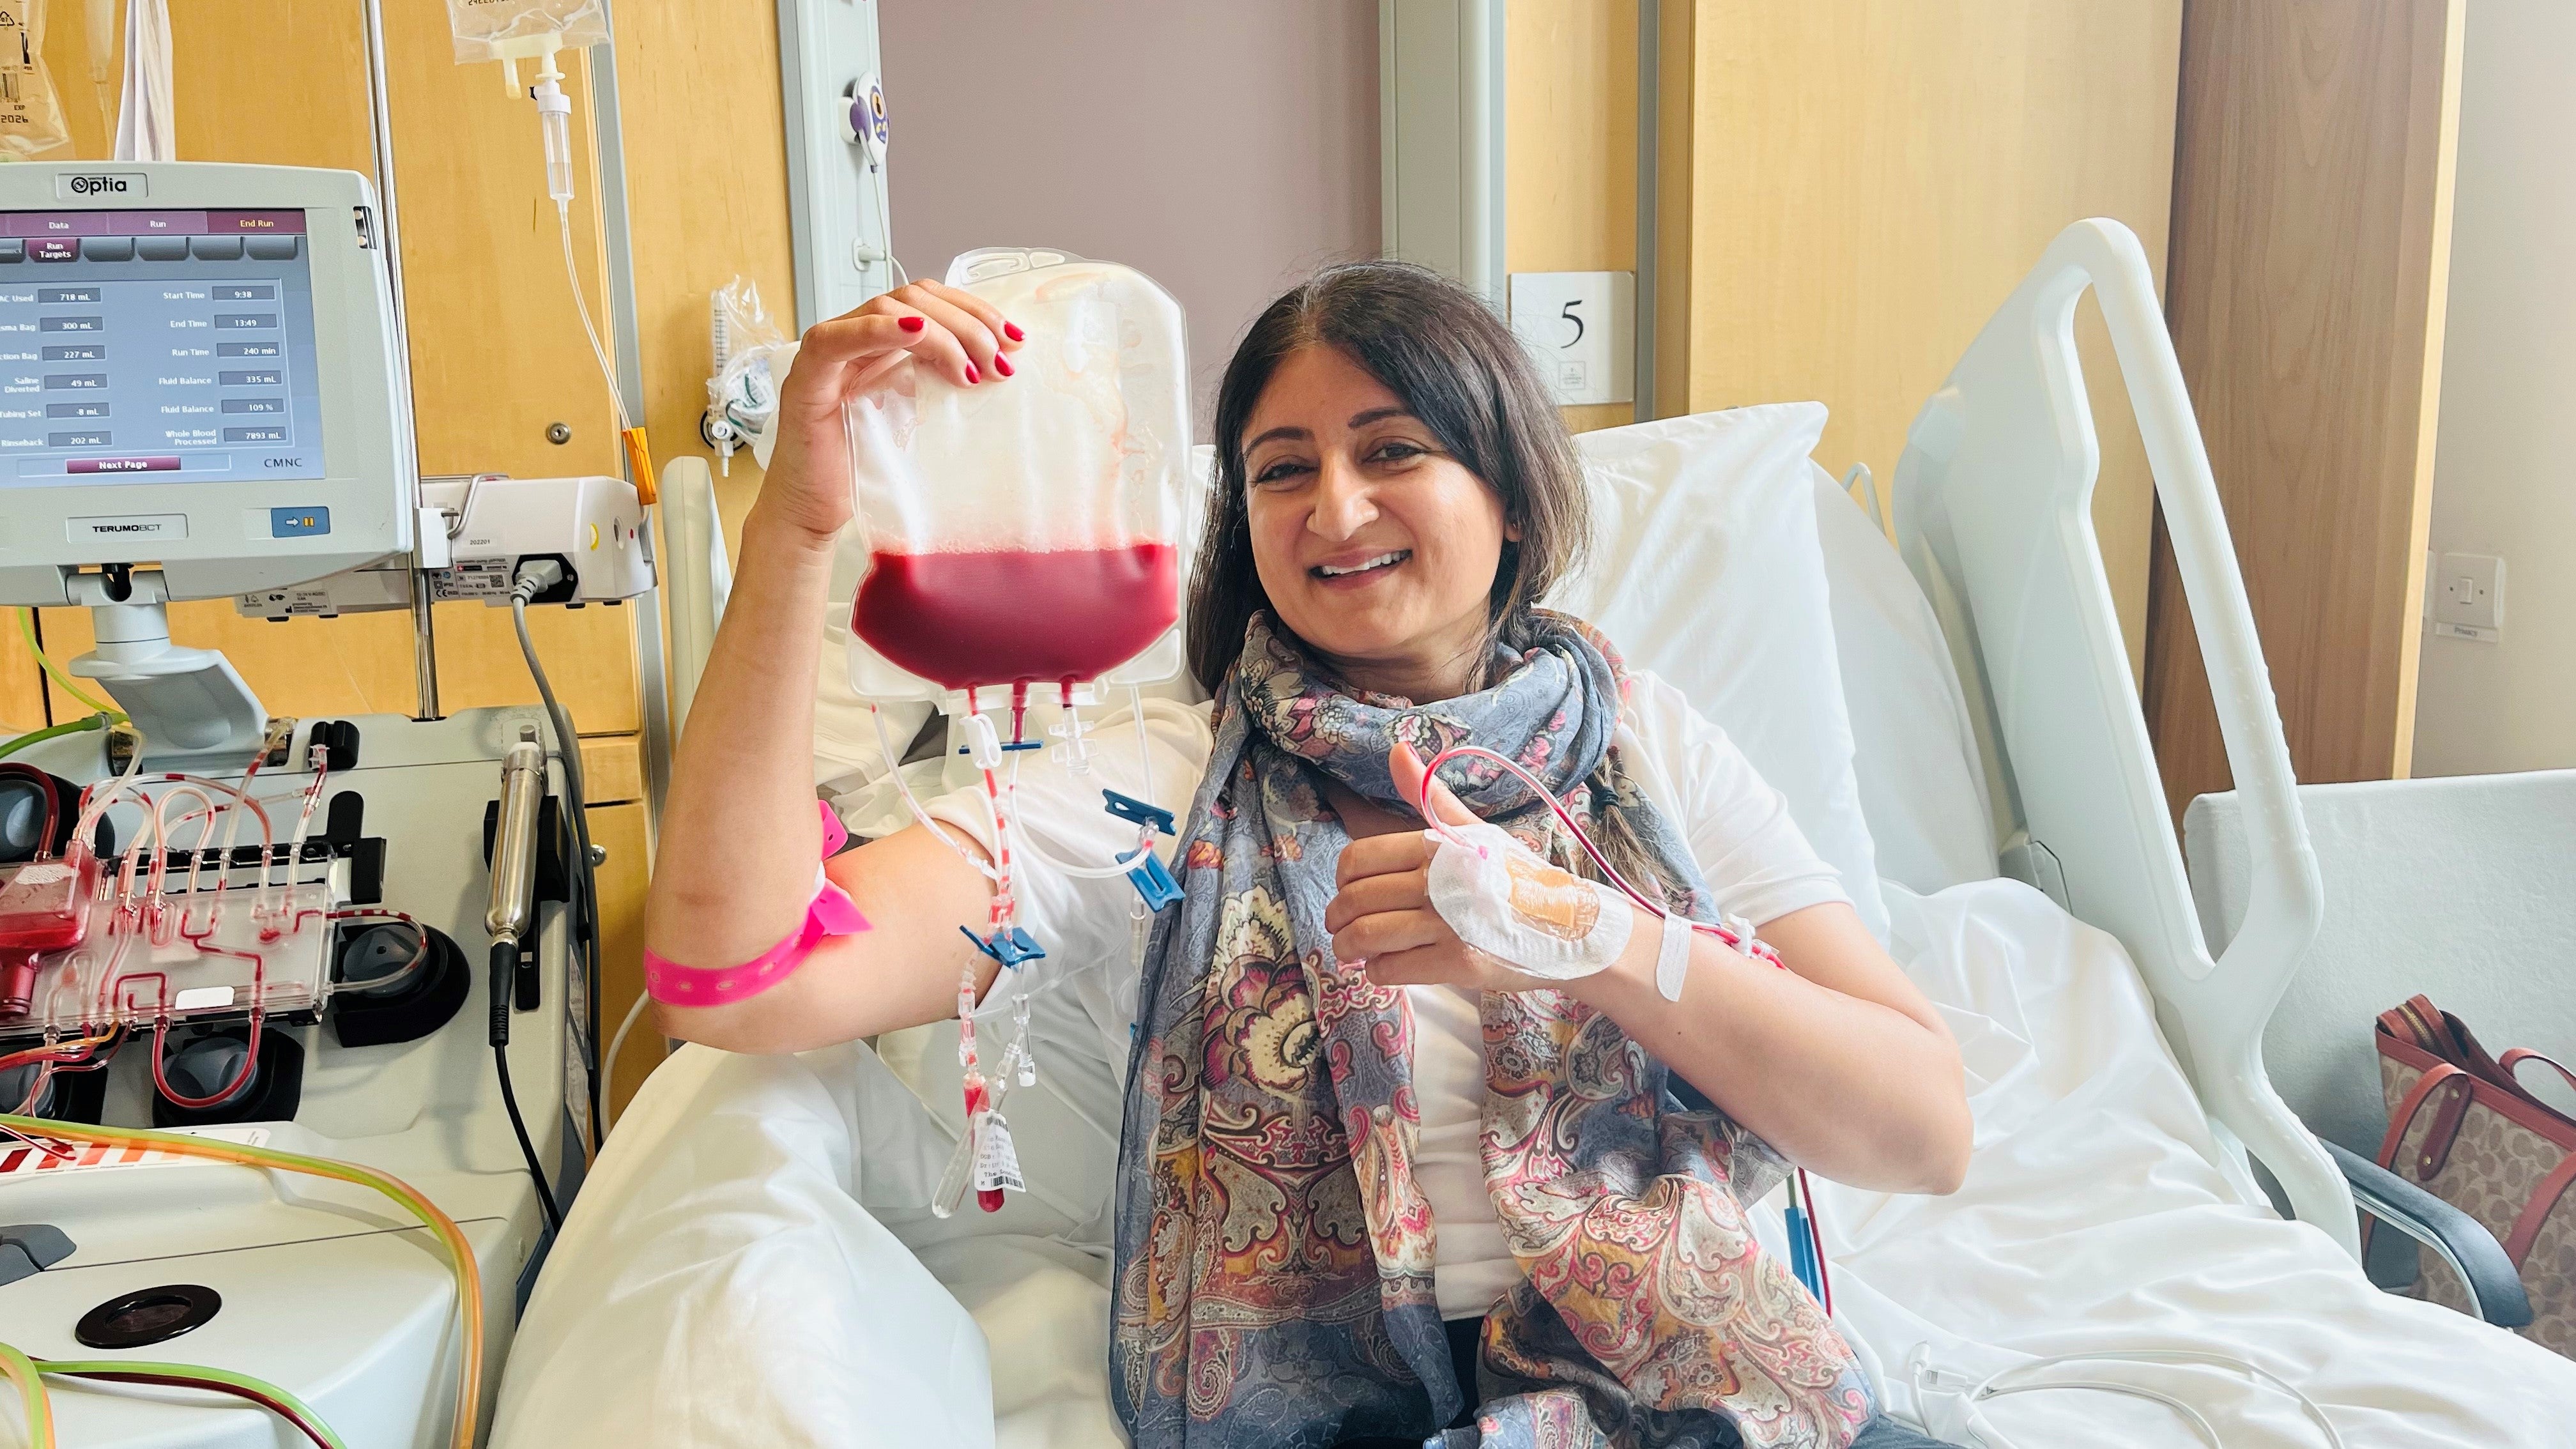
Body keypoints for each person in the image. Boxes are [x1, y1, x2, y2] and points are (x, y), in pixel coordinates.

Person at [639, 261, 1972, 1448]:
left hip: (1687, 1383)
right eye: (1282, 468)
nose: (1335, 508)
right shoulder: (1162, 793)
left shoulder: (1646, 751)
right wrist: (798, 533)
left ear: (1508, 496)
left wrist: (1597, 942)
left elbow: (1923, 1129)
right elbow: (750, 973)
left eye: (1391, 450)